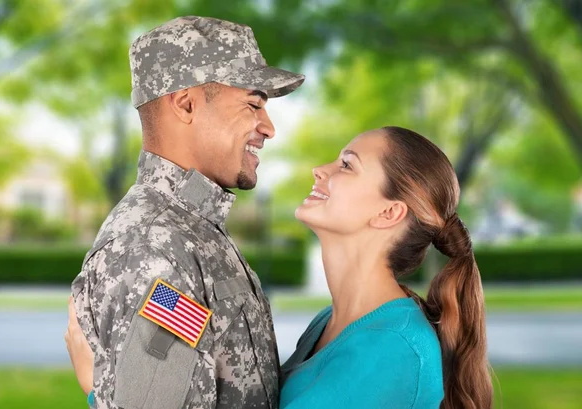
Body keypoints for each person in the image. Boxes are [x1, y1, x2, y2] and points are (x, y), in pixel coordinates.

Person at [68, 126, 494, 408]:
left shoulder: (393, 352)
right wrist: (164, 299)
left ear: (389, 214)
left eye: (346, 165)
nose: (320, 169)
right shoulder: (331, 324)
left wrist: (96, 383)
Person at [68, 15, 304, 409]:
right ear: (187, 104)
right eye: (252, 104)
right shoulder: (154, 249)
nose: (268, 127)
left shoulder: (190, 231)